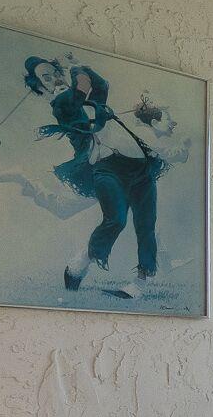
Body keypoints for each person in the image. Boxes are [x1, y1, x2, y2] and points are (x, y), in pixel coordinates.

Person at [43, 65, 170, 300]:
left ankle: (140, 284)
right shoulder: (61, 105)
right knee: (116, 220)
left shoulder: (90, 96)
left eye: (56, 75)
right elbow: (80, 92)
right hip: (106, 168)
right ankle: (80, 262)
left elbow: (100, 84)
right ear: (42, 90)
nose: (56, 82)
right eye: (47, 80)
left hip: (138, 168)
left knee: (146, 224)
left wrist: (79, 69)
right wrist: (79, 77)